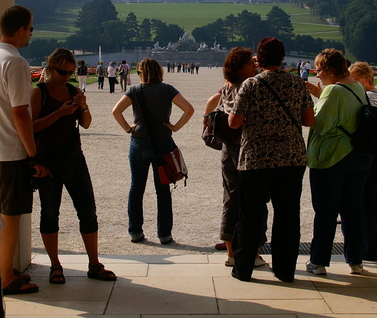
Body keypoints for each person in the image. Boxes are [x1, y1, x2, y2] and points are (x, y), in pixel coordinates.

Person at [0, 5, 51, 295]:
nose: (31, 33)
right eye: (30, 28)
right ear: (20, 30)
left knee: (5, 211)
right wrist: (33, 154)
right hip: (10, 149)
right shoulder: (15, 62)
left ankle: (4, 267)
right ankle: (5, 277)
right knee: (11, 216)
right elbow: (21, 113)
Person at [227, 37, 314, 282]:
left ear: (259, 58)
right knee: (287, 216)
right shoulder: (297, 83)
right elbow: (309, 120)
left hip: (256, 158)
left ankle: (243, 269)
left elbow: (234, 123)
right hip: (291, 157)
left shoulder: (250, 85)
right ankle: (285, 270)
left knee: (250, 216)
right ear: (282, 57)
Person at [31, 49, 116, 283]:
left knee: (88, 211)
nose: (66, 76)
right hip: (47, 161)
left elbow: (86, 124)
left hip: (73, 158)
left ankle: (94, 263)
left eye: (70, 72)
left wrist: (84, 106)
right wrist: (59, 113)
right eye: (62, 72)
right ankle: (55, 265)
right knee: (49, 213)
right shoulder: (40, 93)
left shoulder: (73, 90)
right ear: (50, 68)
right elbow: (30, 128)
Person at [111, 58, 194, 244]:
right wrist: (175, 127)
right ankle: (164, 234)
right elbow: (189, 109)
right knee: (162, 189)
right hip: (163, 142)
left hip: (139, 142)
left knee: (136, 188)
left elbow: (116, 111)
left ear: (142, 73)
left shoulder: (135, 90)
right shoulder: (167, 90)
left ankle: (135, 231)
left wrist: (128, 128)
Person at [304, 48, 371, 276]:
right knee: (353, 211)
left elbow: (319, 123)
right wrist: (321, 94)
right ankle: (355, 260)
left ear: (331, 69)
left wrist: (307, 107)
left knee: (325, 212)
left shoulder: (333, 91)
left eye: (320, 69)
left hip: (331, 158)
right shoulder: (356, 86)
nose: (317, 74)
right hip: (357, 156)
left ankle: (319, 261)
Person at [202, 47, 266, 269]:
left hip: (228, 148)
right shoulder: (249, 86)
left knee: (231, 198)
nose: (255, 66)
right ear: (241, 67)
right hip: (247, 146)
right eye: (250, 63)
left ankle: (231, 252)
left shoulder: (228, 86)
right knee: (255, 199)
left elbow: (211, 100)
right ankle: (255, 252)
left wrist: (206, 118)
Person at [349, 61, 377, 261]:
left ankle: (369, 249)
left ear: (367, 78)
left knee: (367, 200)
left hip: (373, 154)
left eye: (356, 79)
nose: (354, 83)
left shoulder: (369, 96)